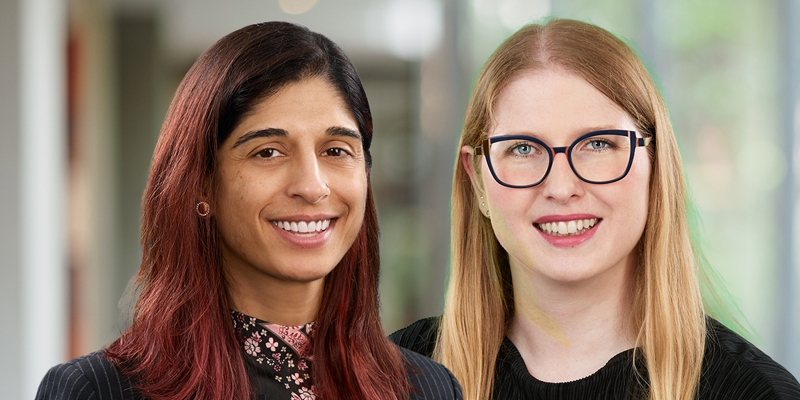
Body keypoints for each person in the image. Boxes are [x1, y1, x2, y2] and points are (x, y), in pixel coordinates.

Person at [36, 22, 461, 400]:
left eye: (336, 150)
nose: (312, 186)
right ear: (201, 181)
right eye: (268, 151)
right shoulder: (98, 390)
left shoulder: (428, 388)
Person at [390, 18, 800, 400]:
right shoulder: (390, 377)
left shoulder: (756, 392)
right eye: (523, 148)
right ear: (478, 179)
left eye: (599, 144)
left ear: (656, 166)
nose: (562, 187)